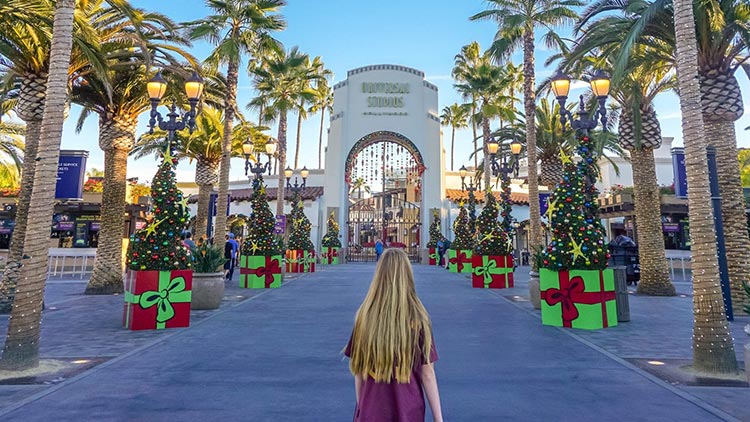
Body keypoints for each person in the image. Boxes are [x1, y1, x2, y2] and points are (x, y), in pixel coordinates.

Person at [344, 248, 443, 422]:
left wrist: (361, 407)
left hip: (371, 410)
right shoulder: (417, 318)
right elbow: (427, 373)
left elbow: (358, 370)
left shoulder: (365, 316)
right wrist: (438, 418)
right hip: (408, 409)